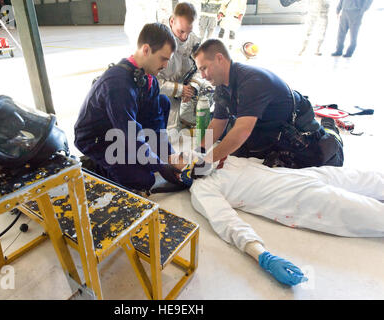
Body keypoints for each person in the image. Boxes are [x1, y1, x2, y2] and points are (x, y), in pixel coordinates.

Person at [185, 152, 384, 286]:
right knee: (373, 214)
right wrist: (263, 256)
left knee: (371, 179)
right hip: (302, 199)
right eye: (180, 156)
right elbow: (227, 222)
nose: (190, 152)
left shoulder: (222, 158)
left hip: (303, 175)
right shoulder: (203, 188)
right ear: (182, 175)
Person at [192, 39, 344, 169]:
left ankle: (331, 129)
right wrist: (199, 152)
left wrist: (207, 160)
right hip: (267, 127)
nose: (203, 76)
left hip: (296, 125)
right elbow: (219, 121)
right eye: (200, 71)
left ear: (219, 58)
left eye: (204, 68)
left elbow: (242, 131)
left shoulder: (251, 81)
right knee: (238, 156)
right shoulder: (221, 87)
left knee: (325, 157)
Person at [74, 23, 184, 192]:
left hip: (121, 128)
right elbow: (131, 135)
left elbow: (155, 124)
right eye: (163, 58)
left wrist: (169, 156)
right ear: (146, 50)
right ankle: (94, 166)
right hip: (98, 139)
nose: (165, 65)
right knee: (143, 180)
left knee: (162, 102)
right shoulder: (118, 84)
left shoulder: (150, 80)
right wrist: (161, 165)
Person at [157, 2, 210, 133]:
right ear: (172, 21)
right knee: (168, 132)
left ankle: (189, 122)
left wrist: (192, 87)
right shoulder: (157, 41)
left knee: (210, 88)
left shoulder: (193, 40)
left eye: (188, 31)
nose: (184, 37)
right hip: (162, 96)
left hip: (186, 92)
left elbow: (202, 68)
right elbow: (152, 82)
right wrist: (179, 90)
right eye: (181, 31)